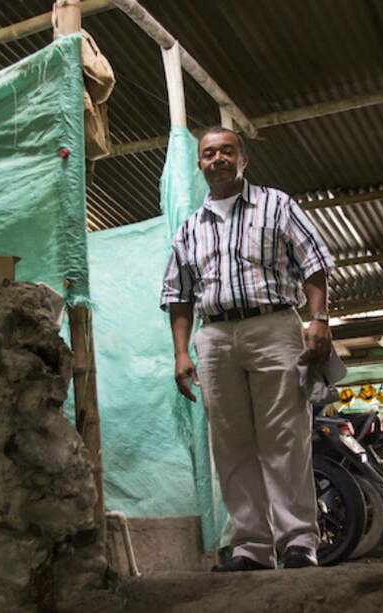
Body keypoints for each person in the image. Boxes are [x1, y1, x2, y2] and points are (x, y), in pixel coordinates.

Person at [159, 127, 335, 571]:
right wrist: (182, 353)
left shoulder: (277, 204)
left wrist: (318, 319)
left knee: (284, 436)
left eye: (226, 151)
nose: (217, 159)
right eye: (208, 153)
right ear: (200, 164)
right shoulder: (189, 229)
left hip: (274, 325)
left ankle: (298, 542)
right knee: (231, 444)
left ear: (243, 159)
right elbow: (177, 295)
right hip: (214, 338)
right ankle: (252, 548)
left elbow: (314, 264)